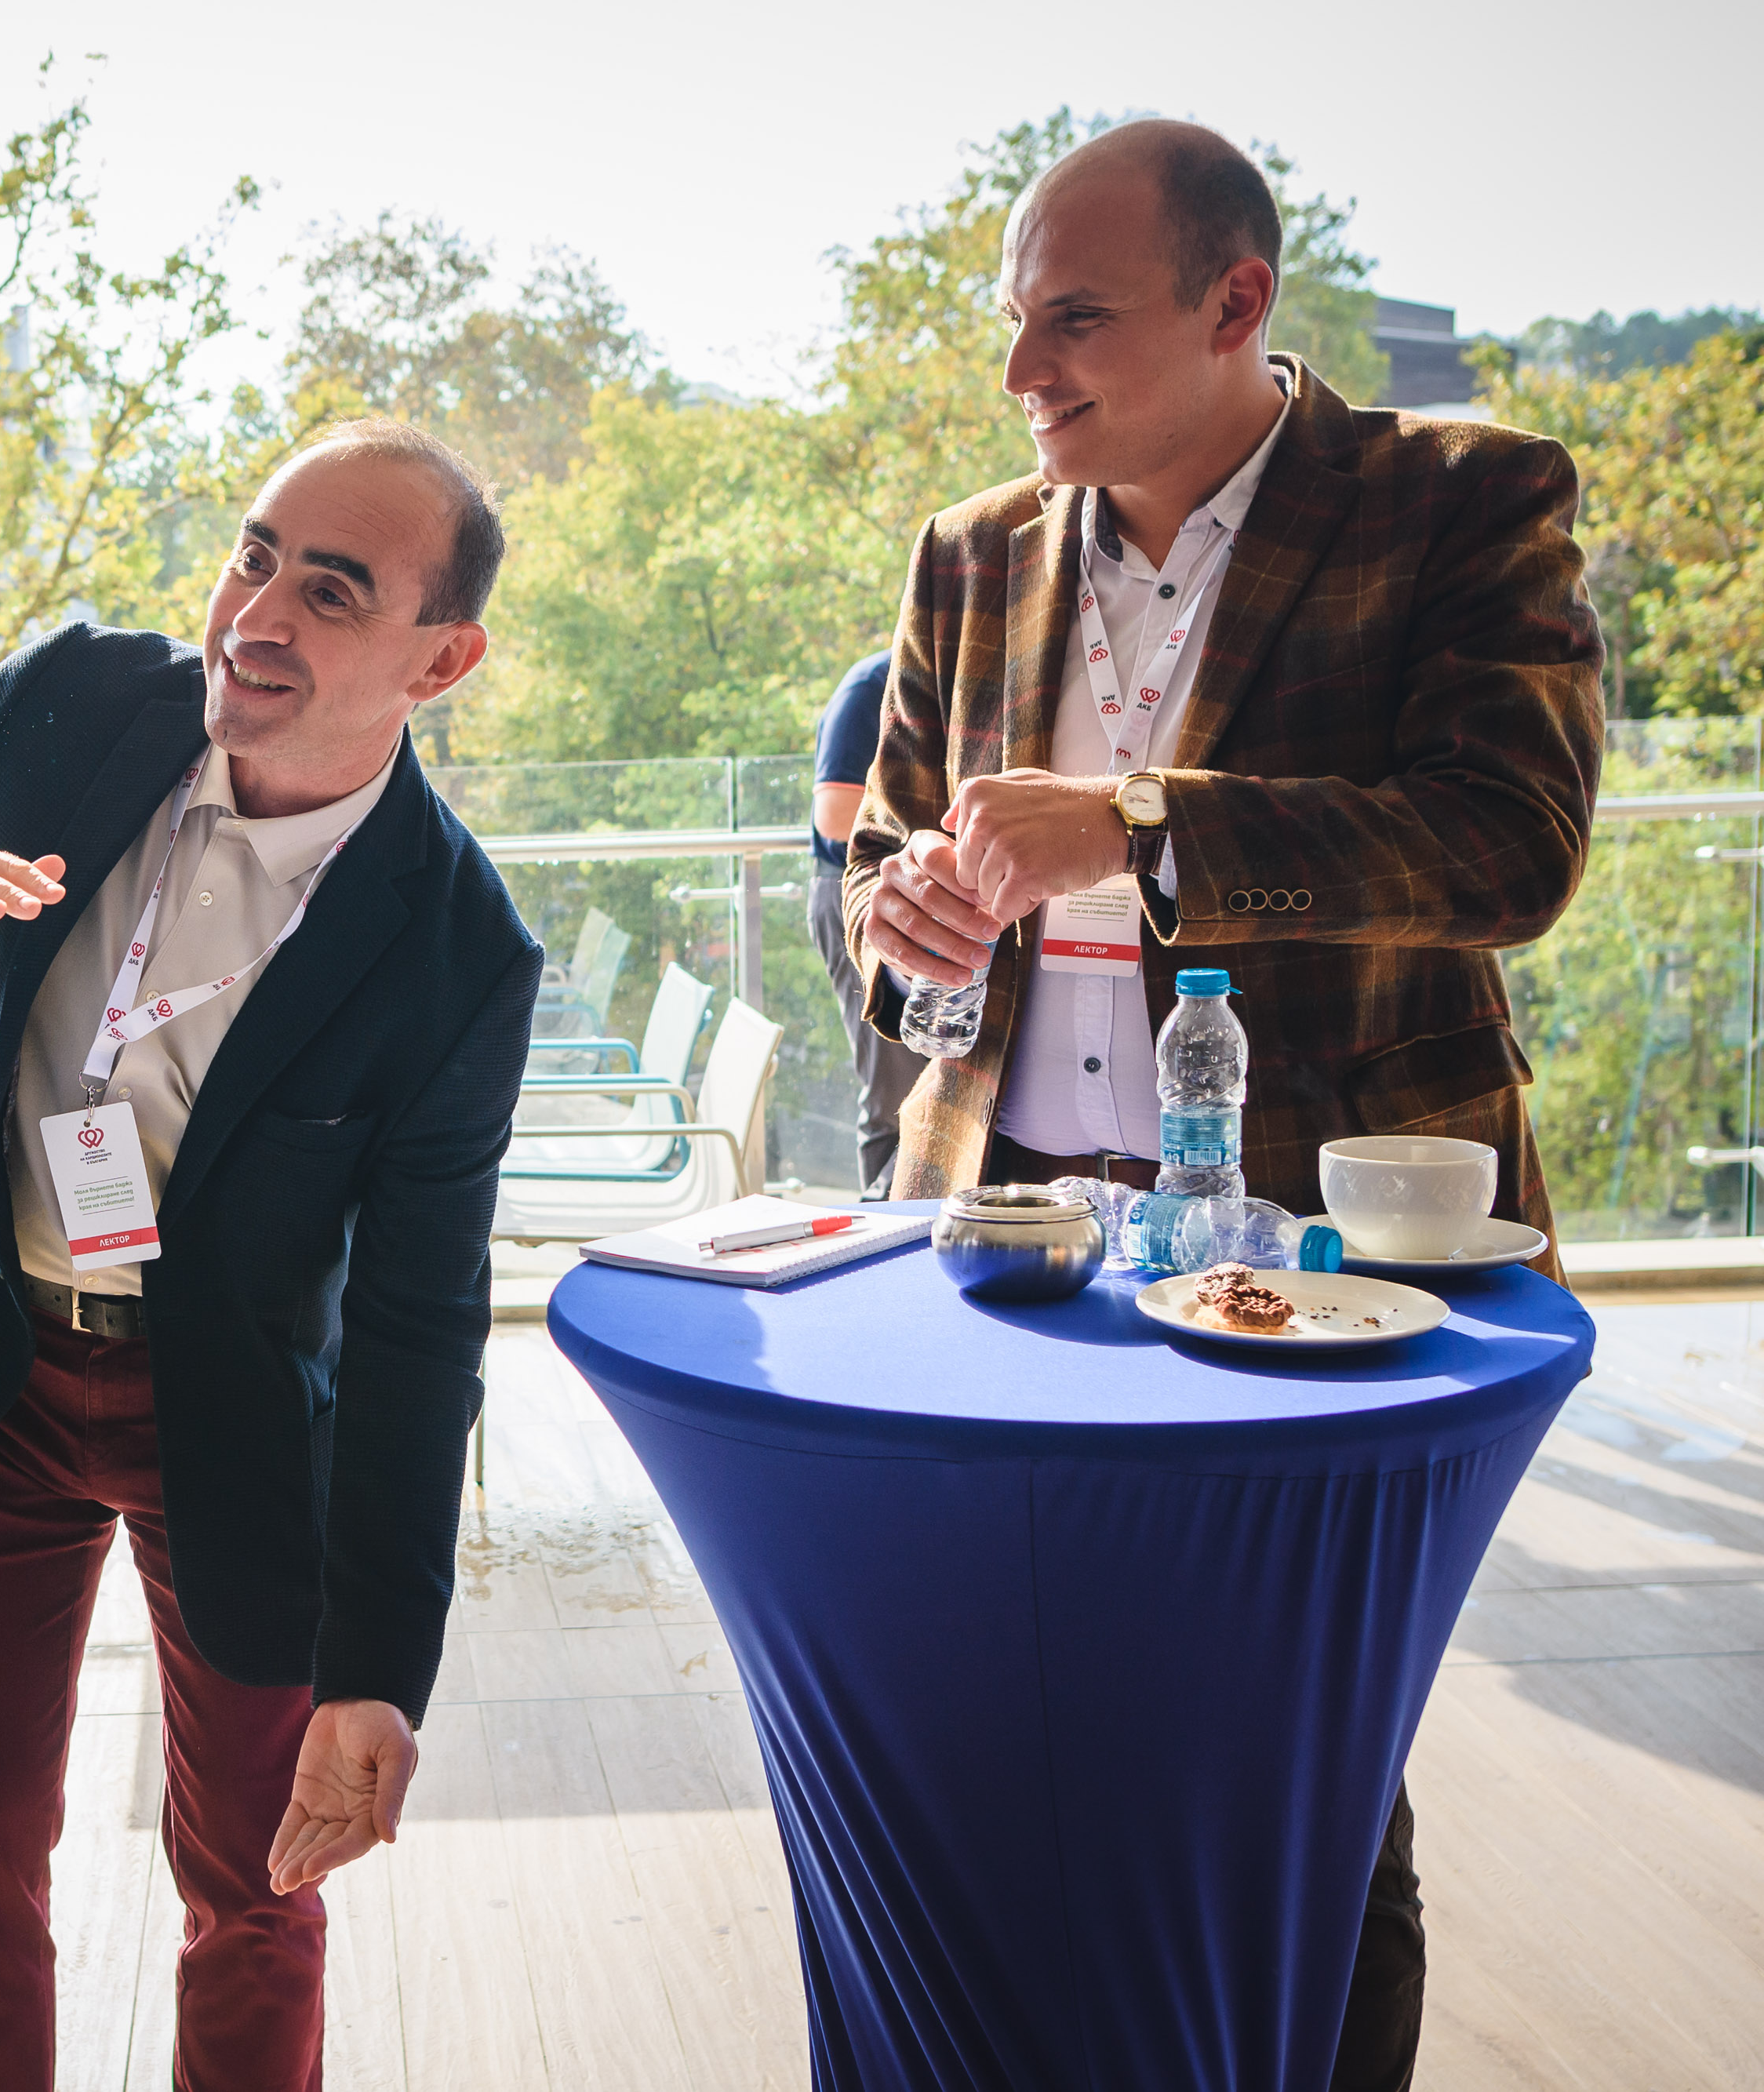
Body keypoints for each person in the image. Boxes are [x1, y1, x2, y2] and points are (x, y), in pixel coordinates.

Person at [841, 121, 1602, 2089]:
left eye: (1074, 322)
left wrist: (1140, 825)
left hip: (1326, 1249)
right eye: (1015, 321)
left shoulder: (1458, 499)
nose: (1021, 371)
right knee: (1007, 1739)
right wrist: (901, 916)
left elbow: (1508, 844)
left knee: (1308, 1783)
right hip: (1007, 1243)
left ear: (1234, 301)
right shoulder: (970, 552)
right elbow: (884, 867)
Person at [0, 419, 544, 2092]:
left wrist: (380, 1672)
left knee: (257, 1883)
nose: (255, 613)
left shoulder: (458, 948)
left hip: (235, 1422)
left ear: (439, 660)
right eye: (252, 554)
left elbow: (419, 1332)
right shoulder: (84, 698)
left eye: (330, 590)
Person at [806, 647, 925, 1195]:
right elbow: (833, 814)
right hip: (859, 895)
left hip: (924, 897)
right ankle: (882, 1225)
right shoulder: (871, 686)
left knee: (935, 1083)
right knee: (893, 1094)